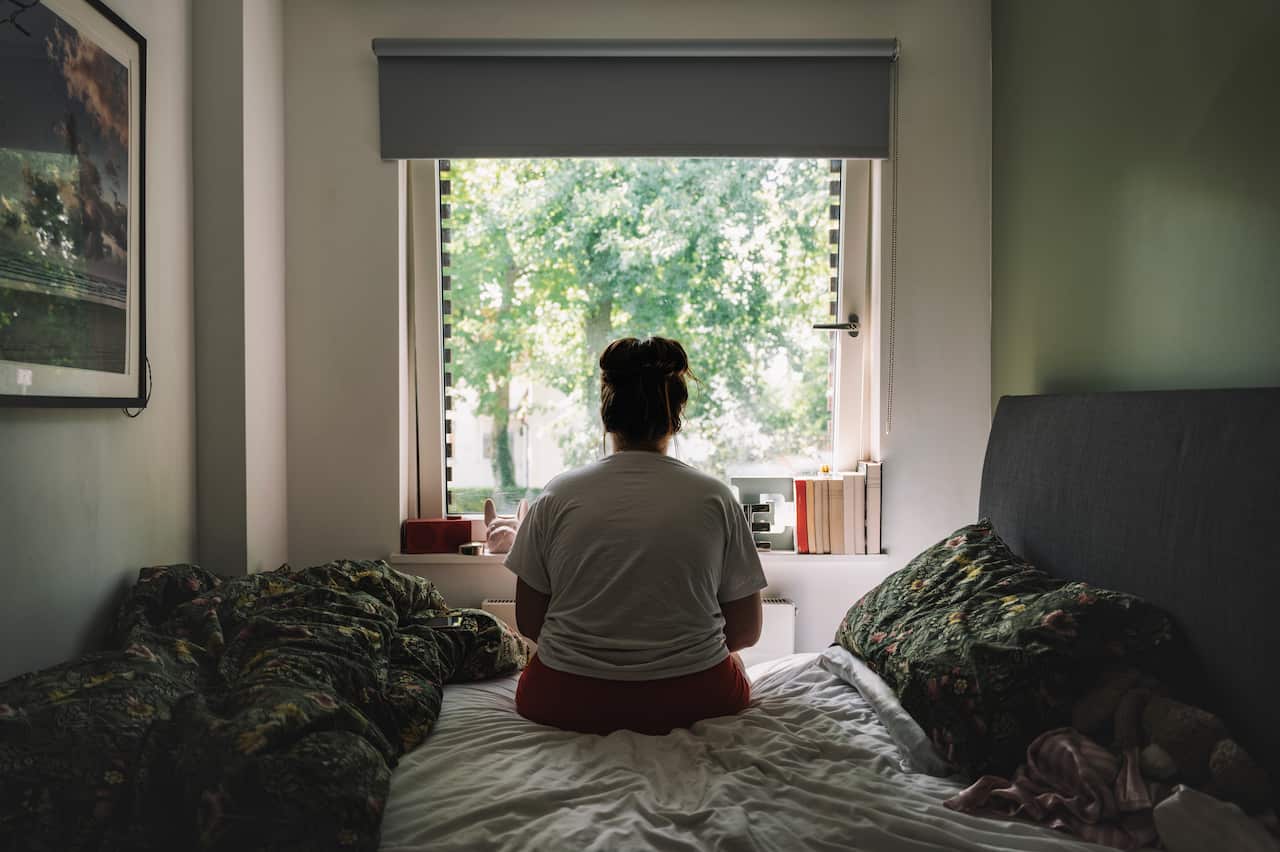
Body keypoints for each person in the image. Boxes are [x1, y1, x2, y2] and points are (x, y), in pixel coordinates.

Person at [506, 336, 767, 735]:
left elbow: (528, 621)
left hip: (564, 699)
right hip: (696, 698)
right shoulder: (715, 498)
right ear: (675, 417)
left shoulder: (557, 496)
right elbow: (746, 631)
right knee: (737, 665)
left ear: (607, 416)